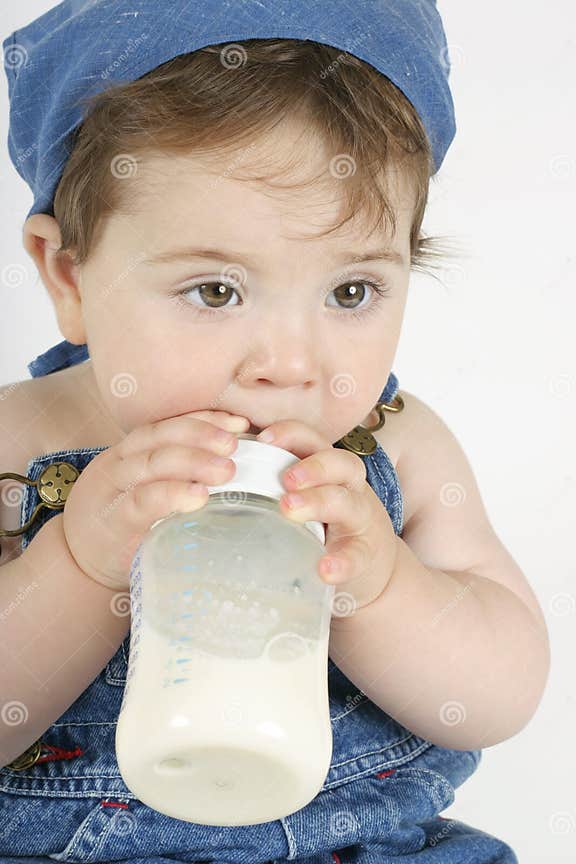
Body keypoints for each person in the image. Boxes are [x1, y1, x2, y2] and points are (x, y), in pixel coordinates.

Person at [0, 1, 549, 861]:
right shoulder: (15, 449)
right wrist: (78, 561)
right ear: (69, 273)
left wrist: (380, 588)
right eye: (215, 291)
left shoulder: (395, 441)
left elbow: (502, 690)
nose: (290, 366)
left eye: (351, 292)